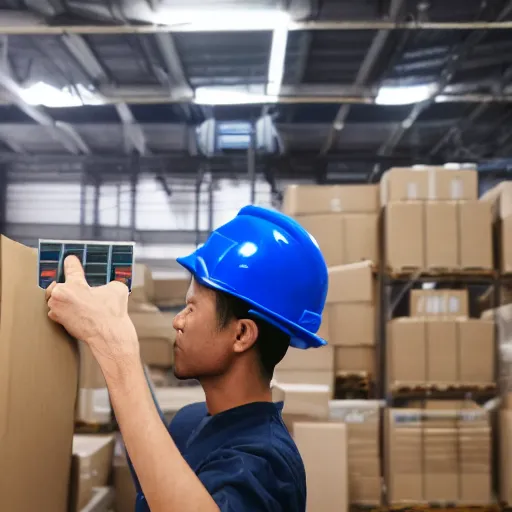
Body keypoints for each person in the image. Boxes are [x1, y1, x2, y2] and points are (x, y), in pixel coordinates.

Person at [46, 204, 329, 512]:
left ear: (242, 335)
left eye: (191, 308)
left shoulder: (266, 465)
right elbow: (157, 487)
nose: (177, 321)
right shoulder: (190, 421)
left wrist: (112, 342)